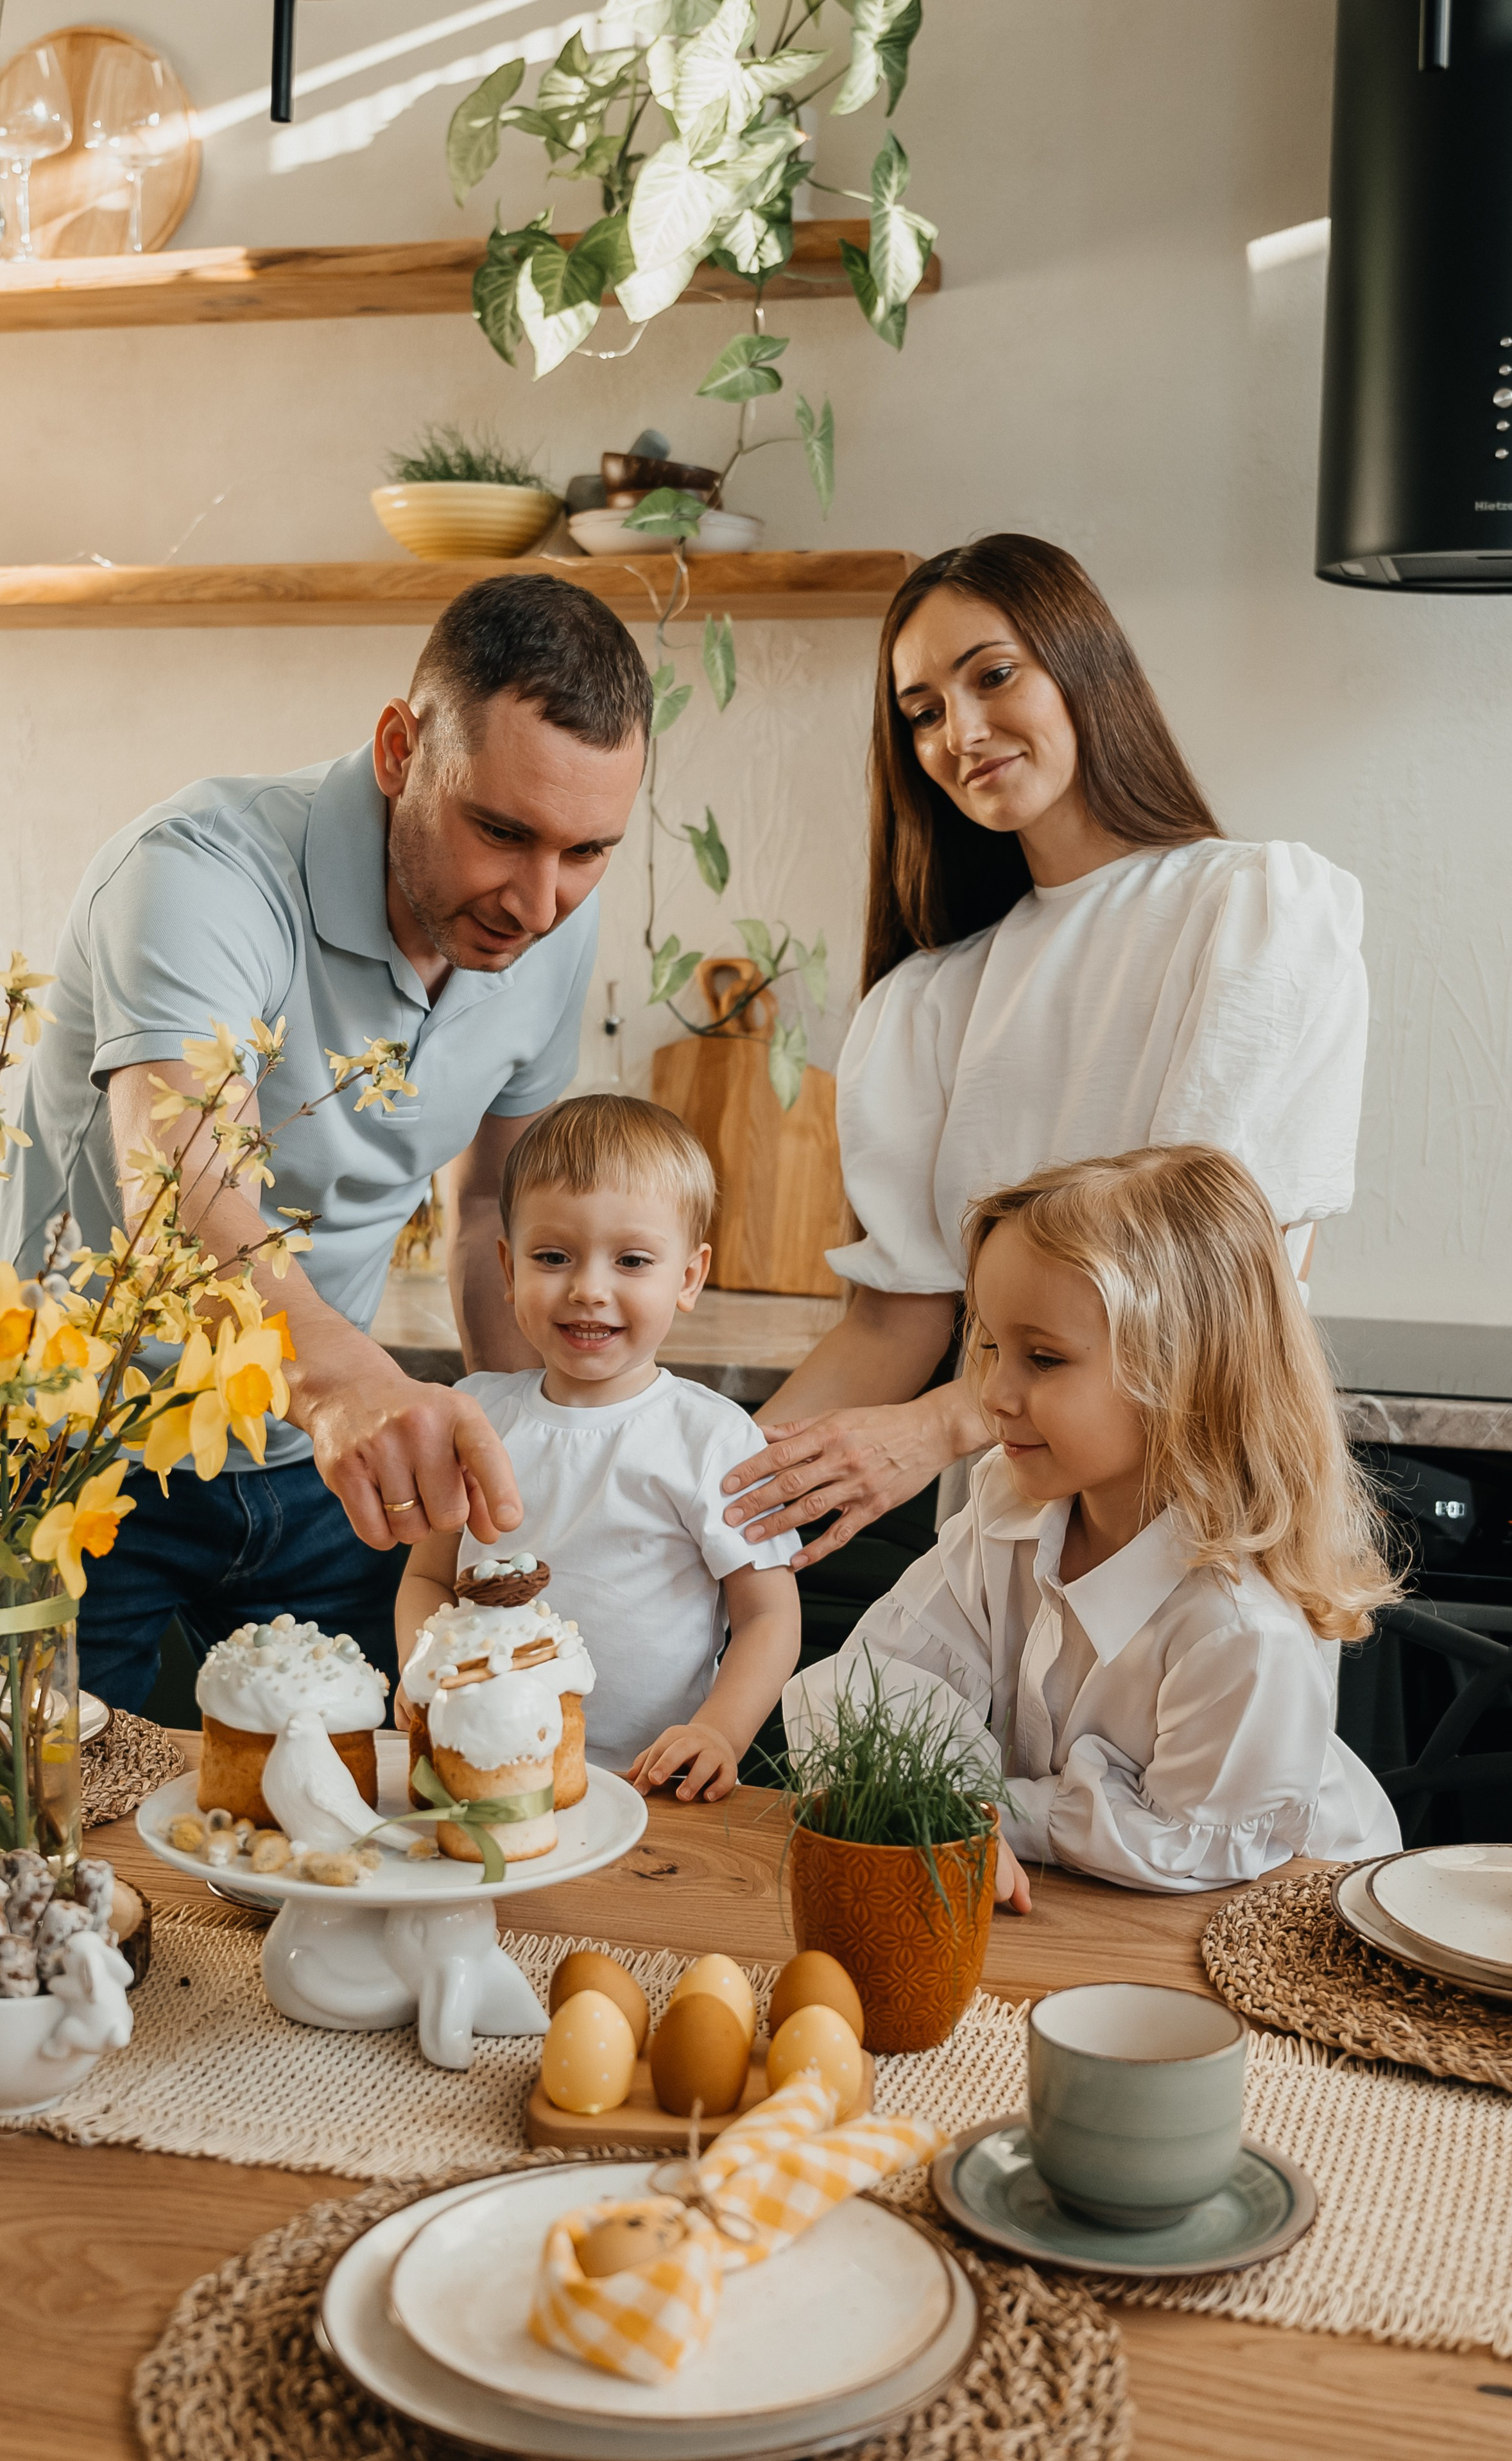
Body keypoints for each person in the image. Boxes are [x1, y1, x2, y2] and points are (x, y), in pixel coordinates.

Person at [0, 575, 655, 1708]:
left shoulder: (540, 932)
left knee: (389, 1797)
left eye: (587, 852)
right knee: (52, 1830)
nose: (539, 904)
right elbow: (180, 1176)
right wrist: (343, 1375)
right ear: (401, 748)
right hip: (75, 1449)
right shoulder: (197, 871)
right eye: (501, 831)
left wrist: (517, 1427)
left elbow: (495, 1207)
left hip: (313, 1473)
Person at [723, 535, 1370, 1588]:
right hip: (1001, 1552)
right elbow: (892, 1323)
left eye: (992, 674)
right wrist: (684, 1492)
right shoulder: (932, 1001)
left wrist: (939, 1426)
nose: (961, 731)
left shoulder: (1255, 914)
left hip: (1214, 1530)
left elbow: (1200, 1273)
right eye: (923, 711)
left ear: (1080, 665)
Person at [785, 1145, 1404, 1898]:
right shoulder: (1007, 1508)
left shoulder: (1238, 1629)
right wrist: (952, 1802)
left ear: (1183, 1375)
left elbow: (1177, 1845)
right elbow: (870, 1686)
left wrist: (975, 1807)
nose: (996, 1395)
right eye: (988, 1346)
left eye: (1042, 1358)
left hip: (1278, 1924)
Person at [393, 1095, 800, 1801]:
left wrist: (720, 1733)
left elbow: (768, 1616)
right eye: (553, 1257)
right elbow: (427, 1580)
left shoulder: (712, 1437)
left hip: (648, 1787)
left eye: (632, 1260)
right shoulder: (476, 1415)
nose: (588, 1289)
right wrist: (423, 1670)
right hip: (480, 1771)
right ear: (509, 1269)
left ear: (689, 1277)